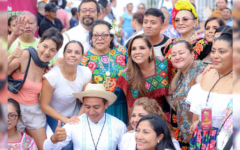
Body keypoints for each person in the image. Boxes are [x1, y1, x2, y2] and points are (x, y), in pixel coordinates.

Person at [8, 27, 63, 150]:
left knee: (42, 147)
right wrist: (11, 56)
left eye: (52, 50)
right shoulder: (25, 55)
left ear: (56, 52)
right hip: (14, 112)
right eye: (45, 46)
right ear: (39, 43)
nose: (47, 52)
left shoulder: (47, 67)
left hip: (34, 112)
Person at [40, 41, 92, 149]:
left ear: (82, 56)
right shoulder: (52, 76)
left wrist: (77, 119)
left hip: (76, 114)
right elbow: (44, 106)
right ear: (63, 54)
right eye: (69, 51)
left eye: (77, 52)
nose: (73, 55)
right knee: (64, 144)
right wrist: (66, 120)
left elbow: (87, 100)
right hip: (54, 115)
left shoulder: (86, 72)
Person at [43, 83, 127, 150]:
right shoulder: (75, 123)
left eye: (96, 107)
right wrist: (54, 139)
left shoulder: (118, 126)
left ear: (106, 104)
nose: (91, 112)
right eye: (87, 107)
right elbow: (47, 148)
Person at [187, 33, 233, 150]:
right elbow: (200, 107)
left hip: (226, 142)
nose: (215, 56)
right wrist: (198, 122)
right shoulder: (207, 73)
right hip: (201, 138)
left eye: (222, 52)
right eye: (213, 51)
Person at [117, 35, 173, 123]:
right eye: (133, 49)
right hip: (141, 120)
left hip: (164, 115)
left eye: (142, 48)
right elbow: (131, 106)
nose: (137, 52)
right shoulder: (126, 76)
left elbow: (169, 93)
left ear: (150, 50)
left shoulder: (163, 64)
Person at [81, 20, 128, 124]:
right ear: (91, 37)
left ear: (111, 37)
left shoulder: (122, 51)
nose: (99, 38)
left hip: (123, 104)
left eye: (104, 35)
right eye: (96, 35)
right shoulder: (85, 59)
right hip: (98, 108)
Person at [169, 40, 207, 149]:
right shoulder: (183, 72)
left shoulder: (200, 69)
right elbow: (171, 90)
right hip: (188, 136)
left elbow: (208, 101)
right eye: (173, 55)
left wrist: (201, 125)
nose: (177, 57)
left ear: (192, 54)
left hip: (201, 134)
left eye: (181, 53)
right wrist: (180, 70)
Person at [55, 0, 99, 66]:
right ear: (78, 14)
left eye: (92, 10)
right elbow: (59, 62)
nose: (87, 13)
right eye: (84, 11)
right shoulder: (68, 36)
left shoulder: (105, 36)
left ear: (98, 14)